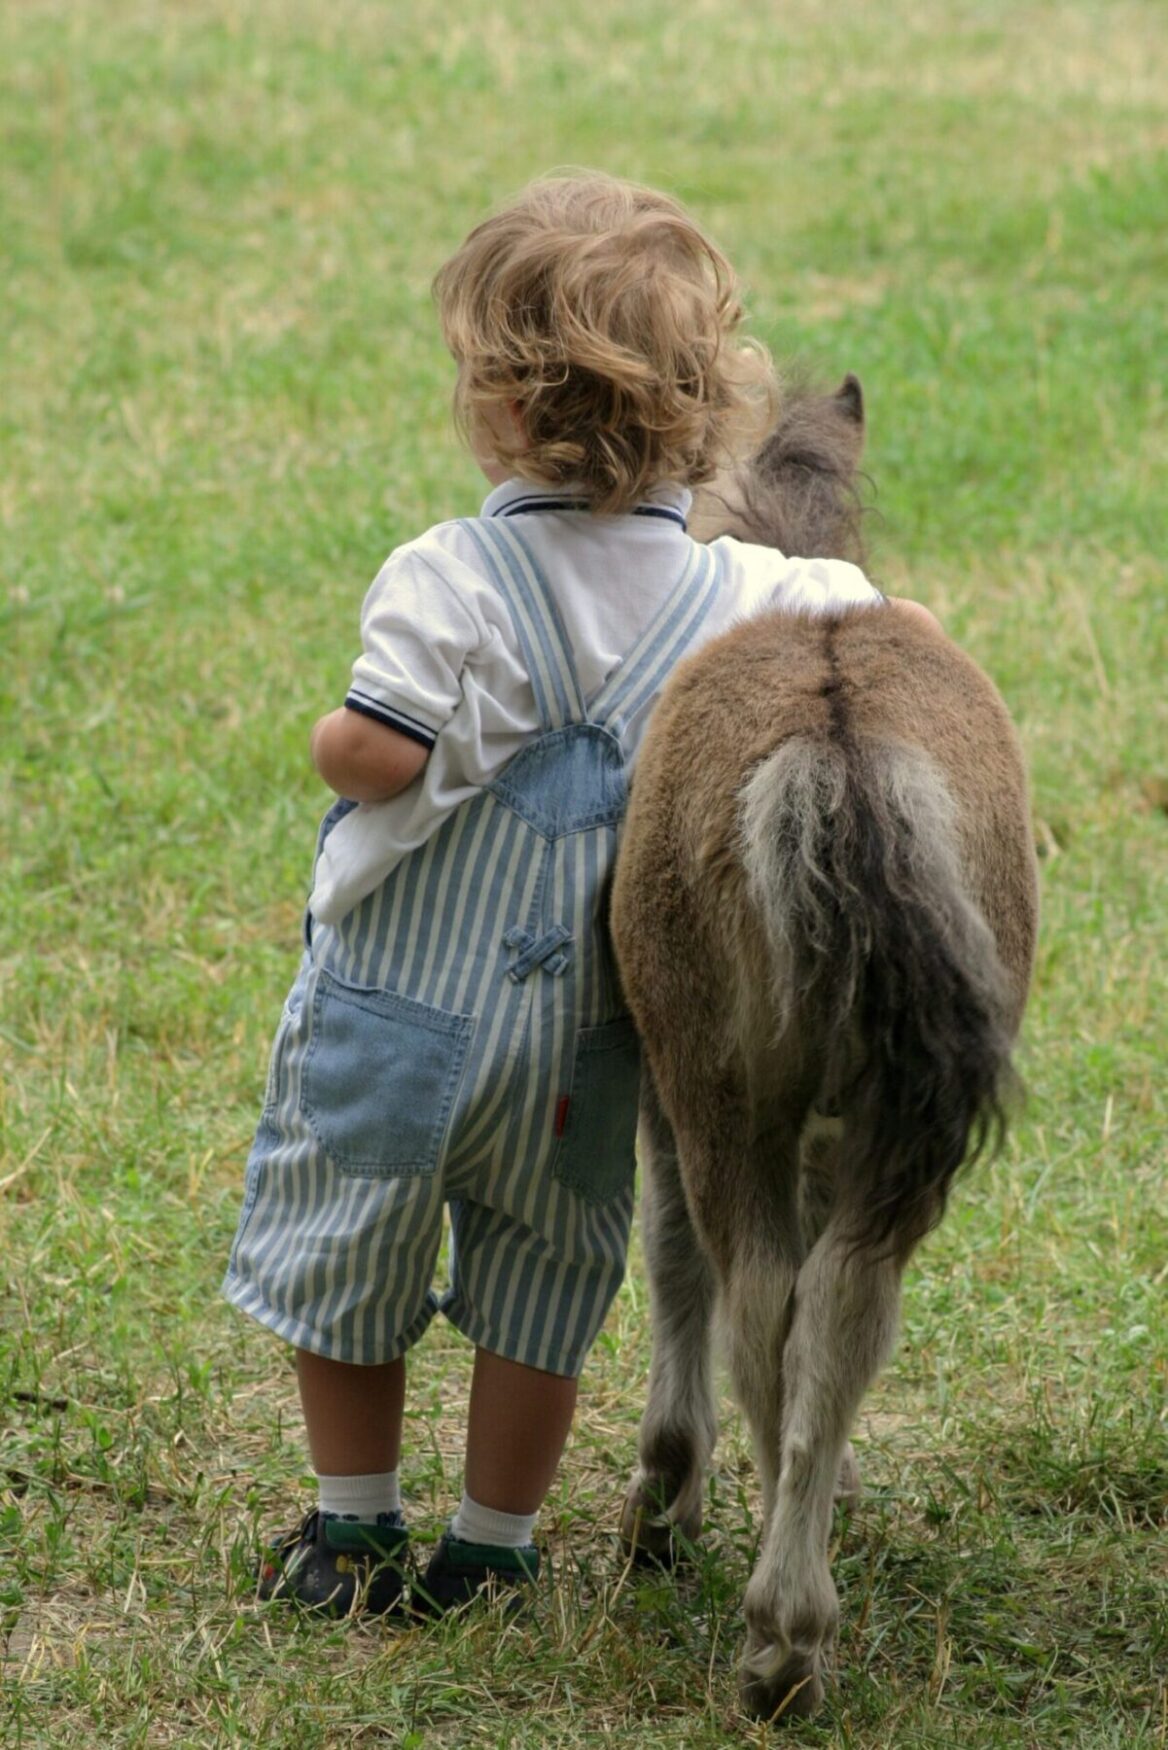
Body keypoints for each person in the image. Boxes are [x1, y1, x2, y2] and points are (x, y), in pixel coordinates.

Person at [221, 171, 882, 1618]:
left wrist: (332, 745)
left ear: (498, 408)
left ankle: (351, 1525)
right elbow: (880, 631)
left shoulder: (444, 574)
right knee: (539, 1287)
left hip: (395, 1013)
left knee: (348, 1249)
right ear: (708, 419)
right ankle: (495, 1543)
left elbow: (382, 748)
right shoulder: (737, 588)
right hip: (579, 1048)